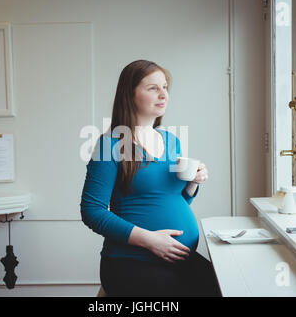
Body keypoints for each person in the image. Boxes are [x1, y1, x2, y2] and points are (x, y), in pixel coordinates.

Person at [80, 59, 221, 297]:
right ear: (130, 93)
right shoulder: (109, 144)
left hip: (178, 258)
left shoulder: (171, 140)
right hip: (133, 261)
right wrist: (150, 241)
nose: (163, 94)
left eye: (165, 87)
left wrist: (192, 184)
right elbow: (92, 211)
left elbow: (171, 200)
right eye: (153, 88)